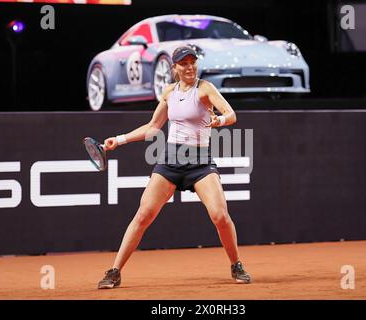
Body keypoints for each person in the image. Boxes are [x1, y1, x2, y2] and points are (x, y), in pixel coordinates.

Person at [97, 46, 251, 289]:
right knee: (143, 215)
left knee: (220, 215)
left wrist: (218, 120)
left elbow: (231, 114)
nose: (189, 67)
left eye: (192, 62)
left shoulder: (205, 89)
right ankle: (114, 271)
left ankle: (236, 264)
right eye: (183, 63)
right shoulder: (169, 92)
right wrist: (120, 139)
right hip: (170, 161)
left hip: (200, 163)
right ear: (175, 68)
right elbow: (152, 128)